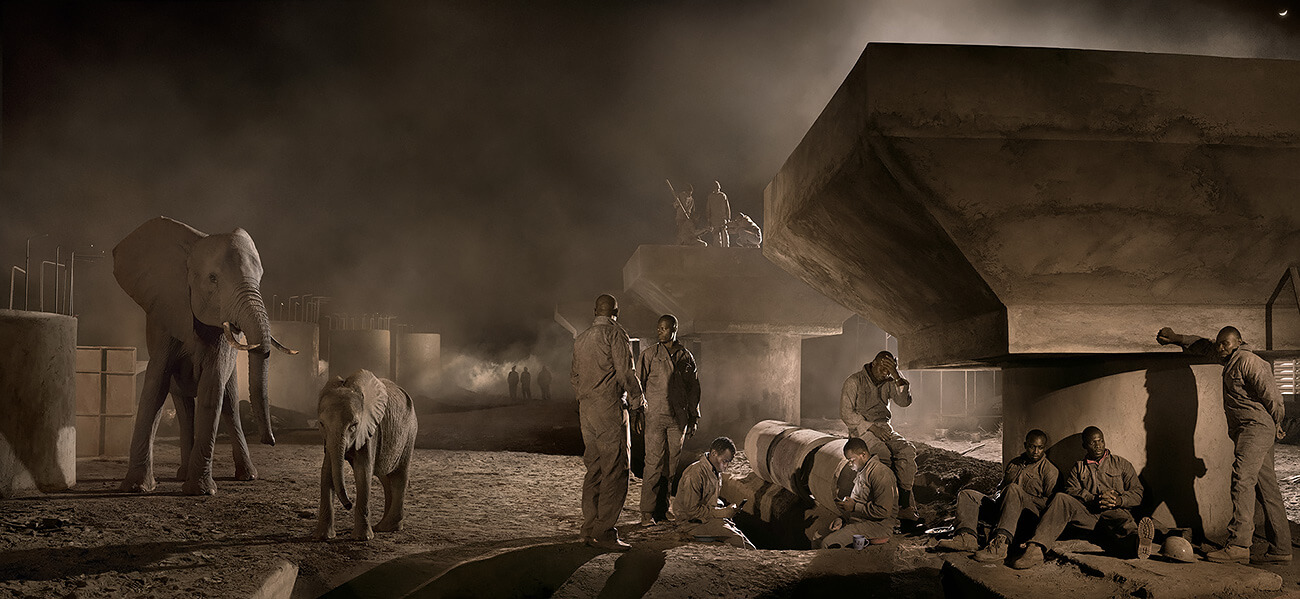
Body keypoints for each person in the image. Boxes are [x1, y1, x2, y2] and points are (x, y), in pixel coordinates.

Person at [1157, 326, 1292, 564]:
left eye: (1225, 343)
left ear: (1239, 341)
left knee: (1241, 480)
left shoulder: (1250, 361)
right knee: (1267, 487)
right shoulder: (1229, 358)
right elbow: (1204, 346)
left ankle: (1239, 545)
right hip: (1247, 429)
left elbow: (1273, 395)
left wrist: (1278, 421)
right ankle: (1281, 549)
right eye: (1219, 343)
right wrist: (1176, 338)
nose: (1220, 347)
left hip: (1256, 428)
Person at [1011, 426, 1153, 569]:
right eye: (1093, 443)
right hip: (1089, 515)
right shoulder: (1079, 467)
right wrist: (1092, 498)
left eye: (1101, 441)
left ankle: (1138, 542)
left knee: (1125, 527)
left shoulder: (1121, 464)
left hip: (1114, 513)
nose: (1098, 446)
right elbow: (1070, 490)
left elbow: (1137, 492)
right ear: (1085, 445)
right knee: (1061, 498)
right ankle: (1036, 549)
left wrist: (1119, 500)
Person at [571, 294, 646, 552]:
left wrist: (586, 397)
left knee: (594, 468)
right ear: (617, 311)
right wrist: (637, 403)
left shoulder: (581, 339)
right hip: (609, 408)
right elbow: (626, 372)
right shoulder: (616, 335)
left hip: (587, 409)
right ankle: (604, 533)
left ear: (595, 311)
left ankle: (589, 528)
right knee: (615, 469)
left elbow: (574, 376)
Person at [937, 429, 1059, 562]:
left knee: (1013, 489)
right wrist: (996, 495)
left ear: (1044, 448)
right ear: (1025, 445)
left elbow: (1050, 505)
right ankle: (967, 538)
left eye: (1040, 448)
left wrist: (1022, 497)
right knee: (968, 495)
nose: (1036, 452)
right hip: (1003, 511)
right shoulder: (1014, 464)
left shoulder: (1049, 471)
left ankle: (1000, 545)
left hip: (1026, 518)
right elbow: (1001, 487)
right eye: (1032, 447)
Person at [638, 314, 702, 526]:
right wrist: (637, 412)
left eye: (664, 328)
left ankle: (662, 510)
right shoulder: (649, 355)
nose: (660, 331)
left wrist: (694, 416)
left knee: (671, 466)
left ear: (674, 329)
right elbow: (638, 385)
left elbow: (694, 389)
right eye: (658, 328)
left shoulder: (686, 357)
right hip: (655, 416)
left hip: (678, 419)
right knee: (653, 464)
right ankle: (647, 513)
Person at [840, 351, 919, 522]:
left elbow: (904, 402)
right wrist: (871, 428)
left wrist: (897, 375)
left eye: (889, 370)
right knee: (882, 455)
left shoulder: (890, 380)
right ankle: (883, 506)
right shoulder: (854, 381)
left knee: (907, 451)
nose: (885, 373)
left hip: (884, 428)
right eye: (883, 368)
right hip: (861, 430)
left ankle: (904, 506)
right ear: (874, 363)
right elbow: (846, 414)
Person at [673, 436, 755, 549]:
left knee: (743, 540)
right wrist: (722, 513)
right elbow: (690, 511)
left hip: (707, 519)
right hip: (691, 523)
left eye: (729, 462)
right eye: (724, 461)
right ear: (713, 453)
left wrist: (727, 509)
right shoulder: (695, 473)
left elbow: (710, 499)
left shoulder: (715, 471)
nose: (726, 466)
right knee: (742, 544)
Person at [819, 437, 898, 549]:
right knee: (818, 537)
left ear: (863, 455)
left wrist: (855, 507)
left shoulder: (880, 474)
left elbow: (884, 511)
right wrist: (843, 519)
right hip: (862, 520)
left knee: (827, 543)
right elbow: (858, 501)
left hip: (878, 526)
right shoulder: (863, 471)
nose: (850, 464)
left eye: (852, 460)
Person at [706, 180, 731, 248]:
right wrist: (709, 219)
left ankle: (726, 248)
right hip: (714, 219)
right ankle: (717, 250)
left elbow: (727, 207)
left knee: (724, 234)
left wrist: (728, 218)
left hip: (722, 218)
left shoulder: (723, 196)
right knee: (716, 235)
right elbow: (708, 209)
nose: (717, 190)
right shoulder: (710, 197)